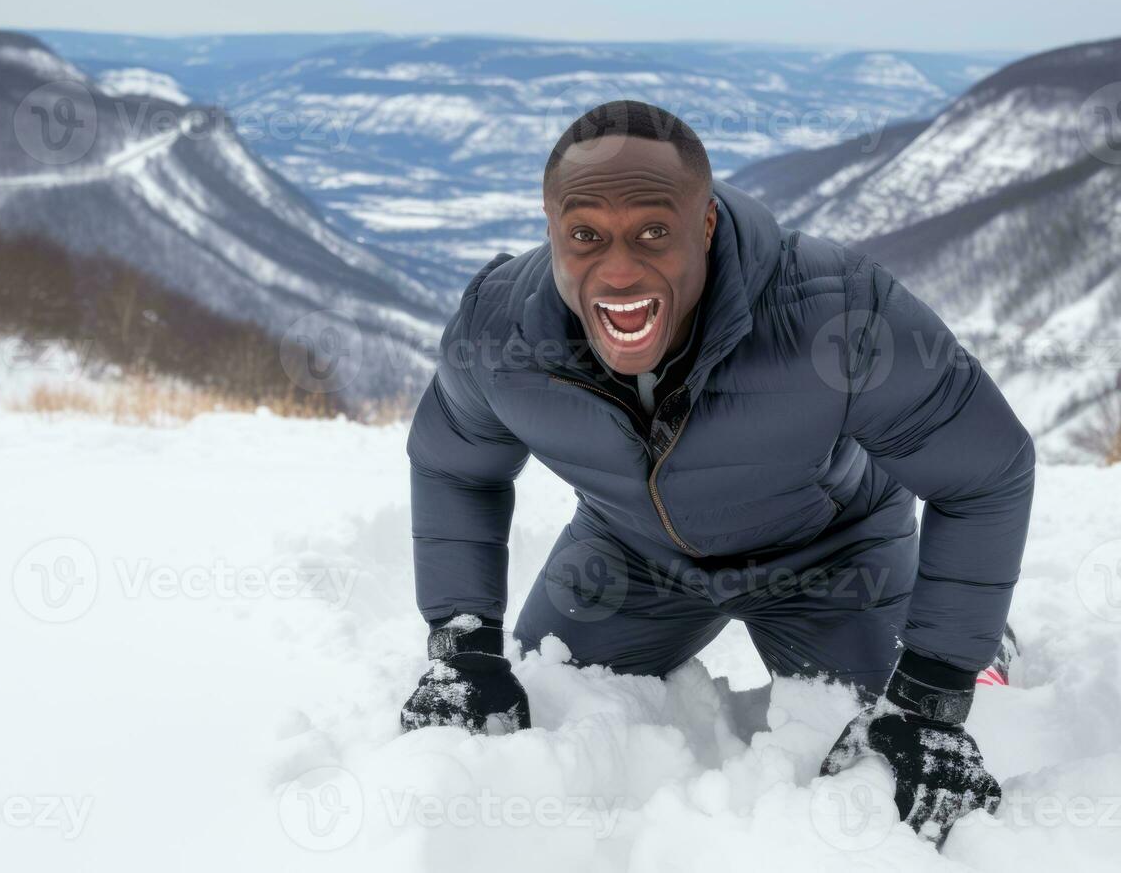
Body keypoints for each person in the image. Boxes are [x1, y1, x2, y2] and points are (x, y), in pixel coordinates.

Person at [401, 101, 1035, 845]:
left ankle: (980, 641)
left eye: (652, 233)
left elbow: (987, 472)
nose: (618, 269)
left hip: (832, 557)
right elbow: (453, 466)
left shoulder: (837, 313)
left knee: (880, 767)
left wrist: (931, 691)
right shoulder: (499, 330)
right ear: (550, 229)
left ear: (703, 225)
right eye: (585, 236)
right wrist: (463, 644)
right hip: (628, 558)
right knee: (551, 698)